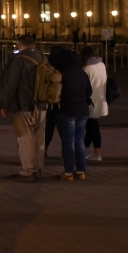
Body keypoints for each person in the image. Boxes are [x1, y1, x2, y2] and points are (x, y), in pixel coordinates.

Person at [0, 33, 47, 182]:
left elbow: (10, 85)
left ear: (20, 46)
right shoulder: (43, 58)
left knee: (25, 138)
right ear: (34, 44)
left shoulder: (19, 60)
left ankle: (27, 171)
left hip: (24, 104)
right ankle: (38, 168)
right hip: (42, 104)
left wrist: (4, 104)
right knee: (40, 138)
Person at [50, 47, 91, 180]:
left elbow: (56, 93)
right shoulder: (82, 73)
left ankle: (68, 172)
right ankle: (81, 171)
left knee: (68, 142)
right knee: (79, 141)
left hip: (66, 110)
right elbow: (89, 92)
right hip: (82, 111)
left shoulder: (62, 74)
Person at [81, 46, 108, 162]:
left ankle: (92, 152)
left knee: (92, 128)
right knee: (93, 127)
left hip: (89, 101)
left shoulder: (85, 68)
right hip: (100, 100)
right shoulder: (101, 65)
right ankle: (96, 153)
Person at [43, 45, 64, 158]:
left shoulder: (48, 67)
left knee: (49, 128)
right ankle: (64, 151)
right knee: (63, 129)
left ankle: (44, 149)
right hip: (61, 102)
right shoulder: (64, 67)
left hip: (49, 101)